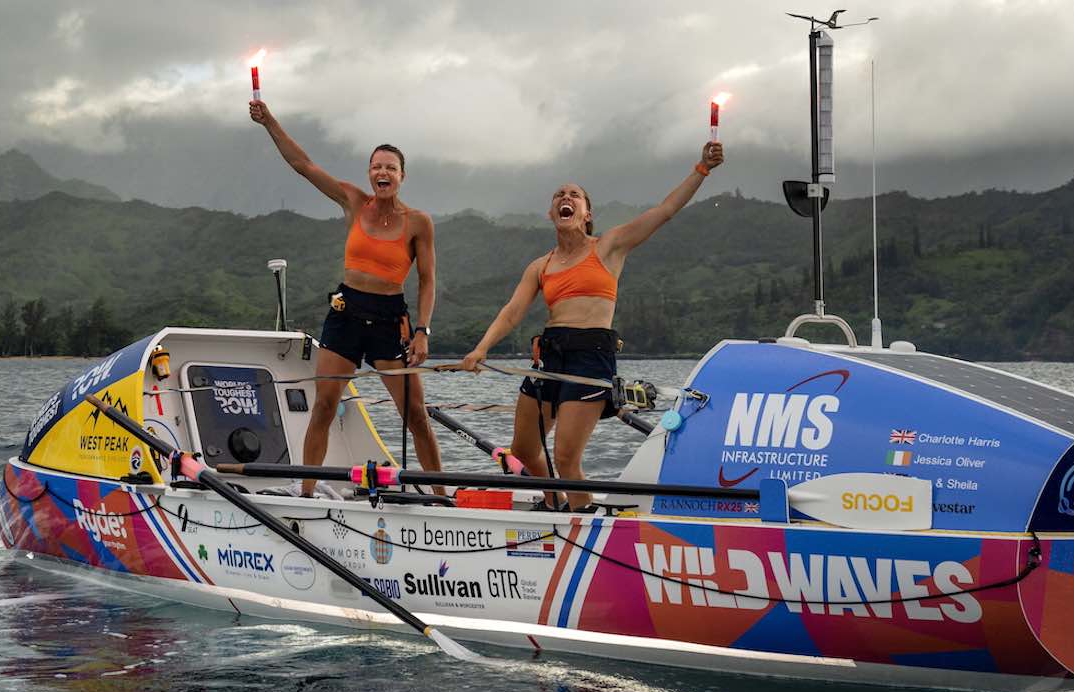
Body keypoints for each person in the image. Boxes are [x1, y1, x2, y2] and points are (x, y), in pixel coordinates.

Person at [461, 142, 725, 511]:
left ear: (587, 214)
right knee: (523, 450)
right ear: (551, 213)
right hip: (550, 355)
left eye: (574, 195)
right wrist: (481, 348)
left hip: (590, 356)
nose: (565, 198)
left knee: (566, 458)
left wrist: (702, 169)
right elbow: (512, 312)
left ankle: (581, 518)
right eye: (559, 195)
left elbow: (664, 211)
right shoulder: (540, 265)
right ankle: (554, 503)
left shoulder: (608, 247)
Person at [250, 100, 442, 496]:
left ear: (402, 176)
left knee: (416, 416)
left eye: (390, 168)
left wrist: (422, 331)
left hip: (390, 321)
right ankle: (306, 494)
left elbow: (427, 281)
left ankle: (442, 497)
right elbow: (303, 165)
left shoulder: (418, 222)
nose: (383, 173)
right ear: (369, 173)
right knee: (323, 406)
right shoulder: (354, 201)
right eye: (377, 167)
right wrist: (269, 122)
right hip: (346, 314)